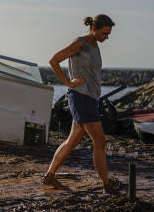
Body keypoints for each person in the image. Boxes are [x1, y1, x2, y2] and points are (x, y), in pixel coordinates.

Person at [42, 14, 119, 193]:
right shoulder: (80, 43)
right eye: (105, 33)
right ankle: (107, 185)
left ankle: (50, 176)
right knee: (100, 140)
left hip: (90, 99)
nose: (106, 37)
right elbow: (54, 60)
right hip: (81, 97)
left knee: (72, 140)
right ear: (94, 28)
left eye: (108, 34)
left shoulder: (95, 45)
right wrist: (68, 83)